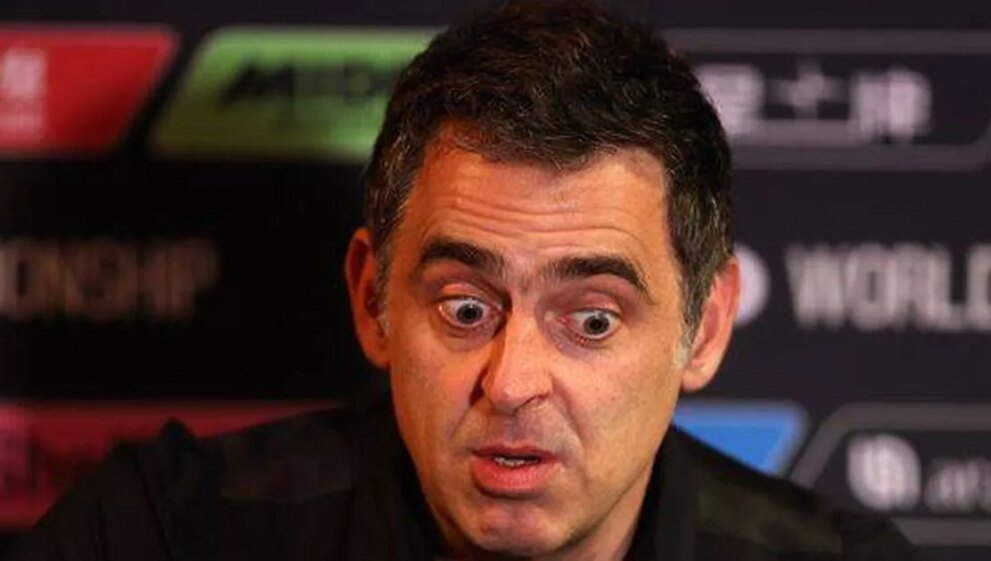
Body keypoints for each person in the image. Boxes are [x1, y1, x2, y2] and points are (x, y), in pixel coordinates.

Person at [9, 1, 919, 560]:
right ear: (372, 298)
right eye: (468, 307)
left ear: (705, 327)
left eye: (592, 320)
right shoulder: (168, 533)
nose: (512, 382)